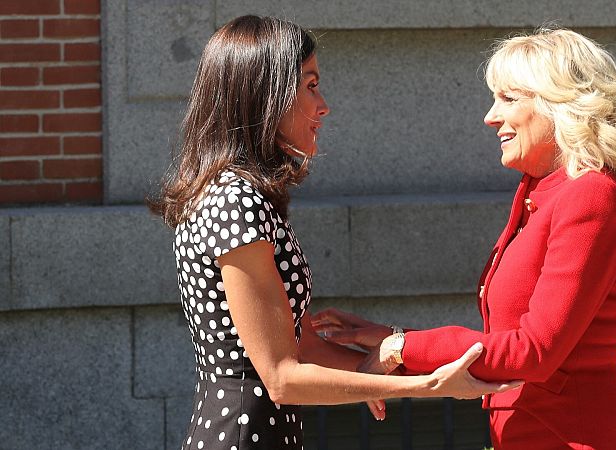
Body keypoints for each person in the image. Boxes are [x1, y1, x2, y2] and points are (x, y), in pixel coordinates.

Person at [148, 15, 520, 450]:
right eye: (309, 85)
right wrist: (427, 388)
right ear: (265, 96)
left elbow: (302, 345)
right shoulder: (235, 201)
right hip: (242, 434)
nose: (323, 104)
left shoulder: (240, 194)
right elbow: (282, 377)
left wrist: (385, 365)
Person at [313, 28, 616, 449]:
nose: (491, 117)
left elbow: (534, 352)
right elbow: (502, 340)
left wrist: (401, 348)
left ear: (559, 104)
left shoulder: (590, 195)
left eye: (509, 99)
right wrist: (393, 337)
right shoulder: (541, 190)